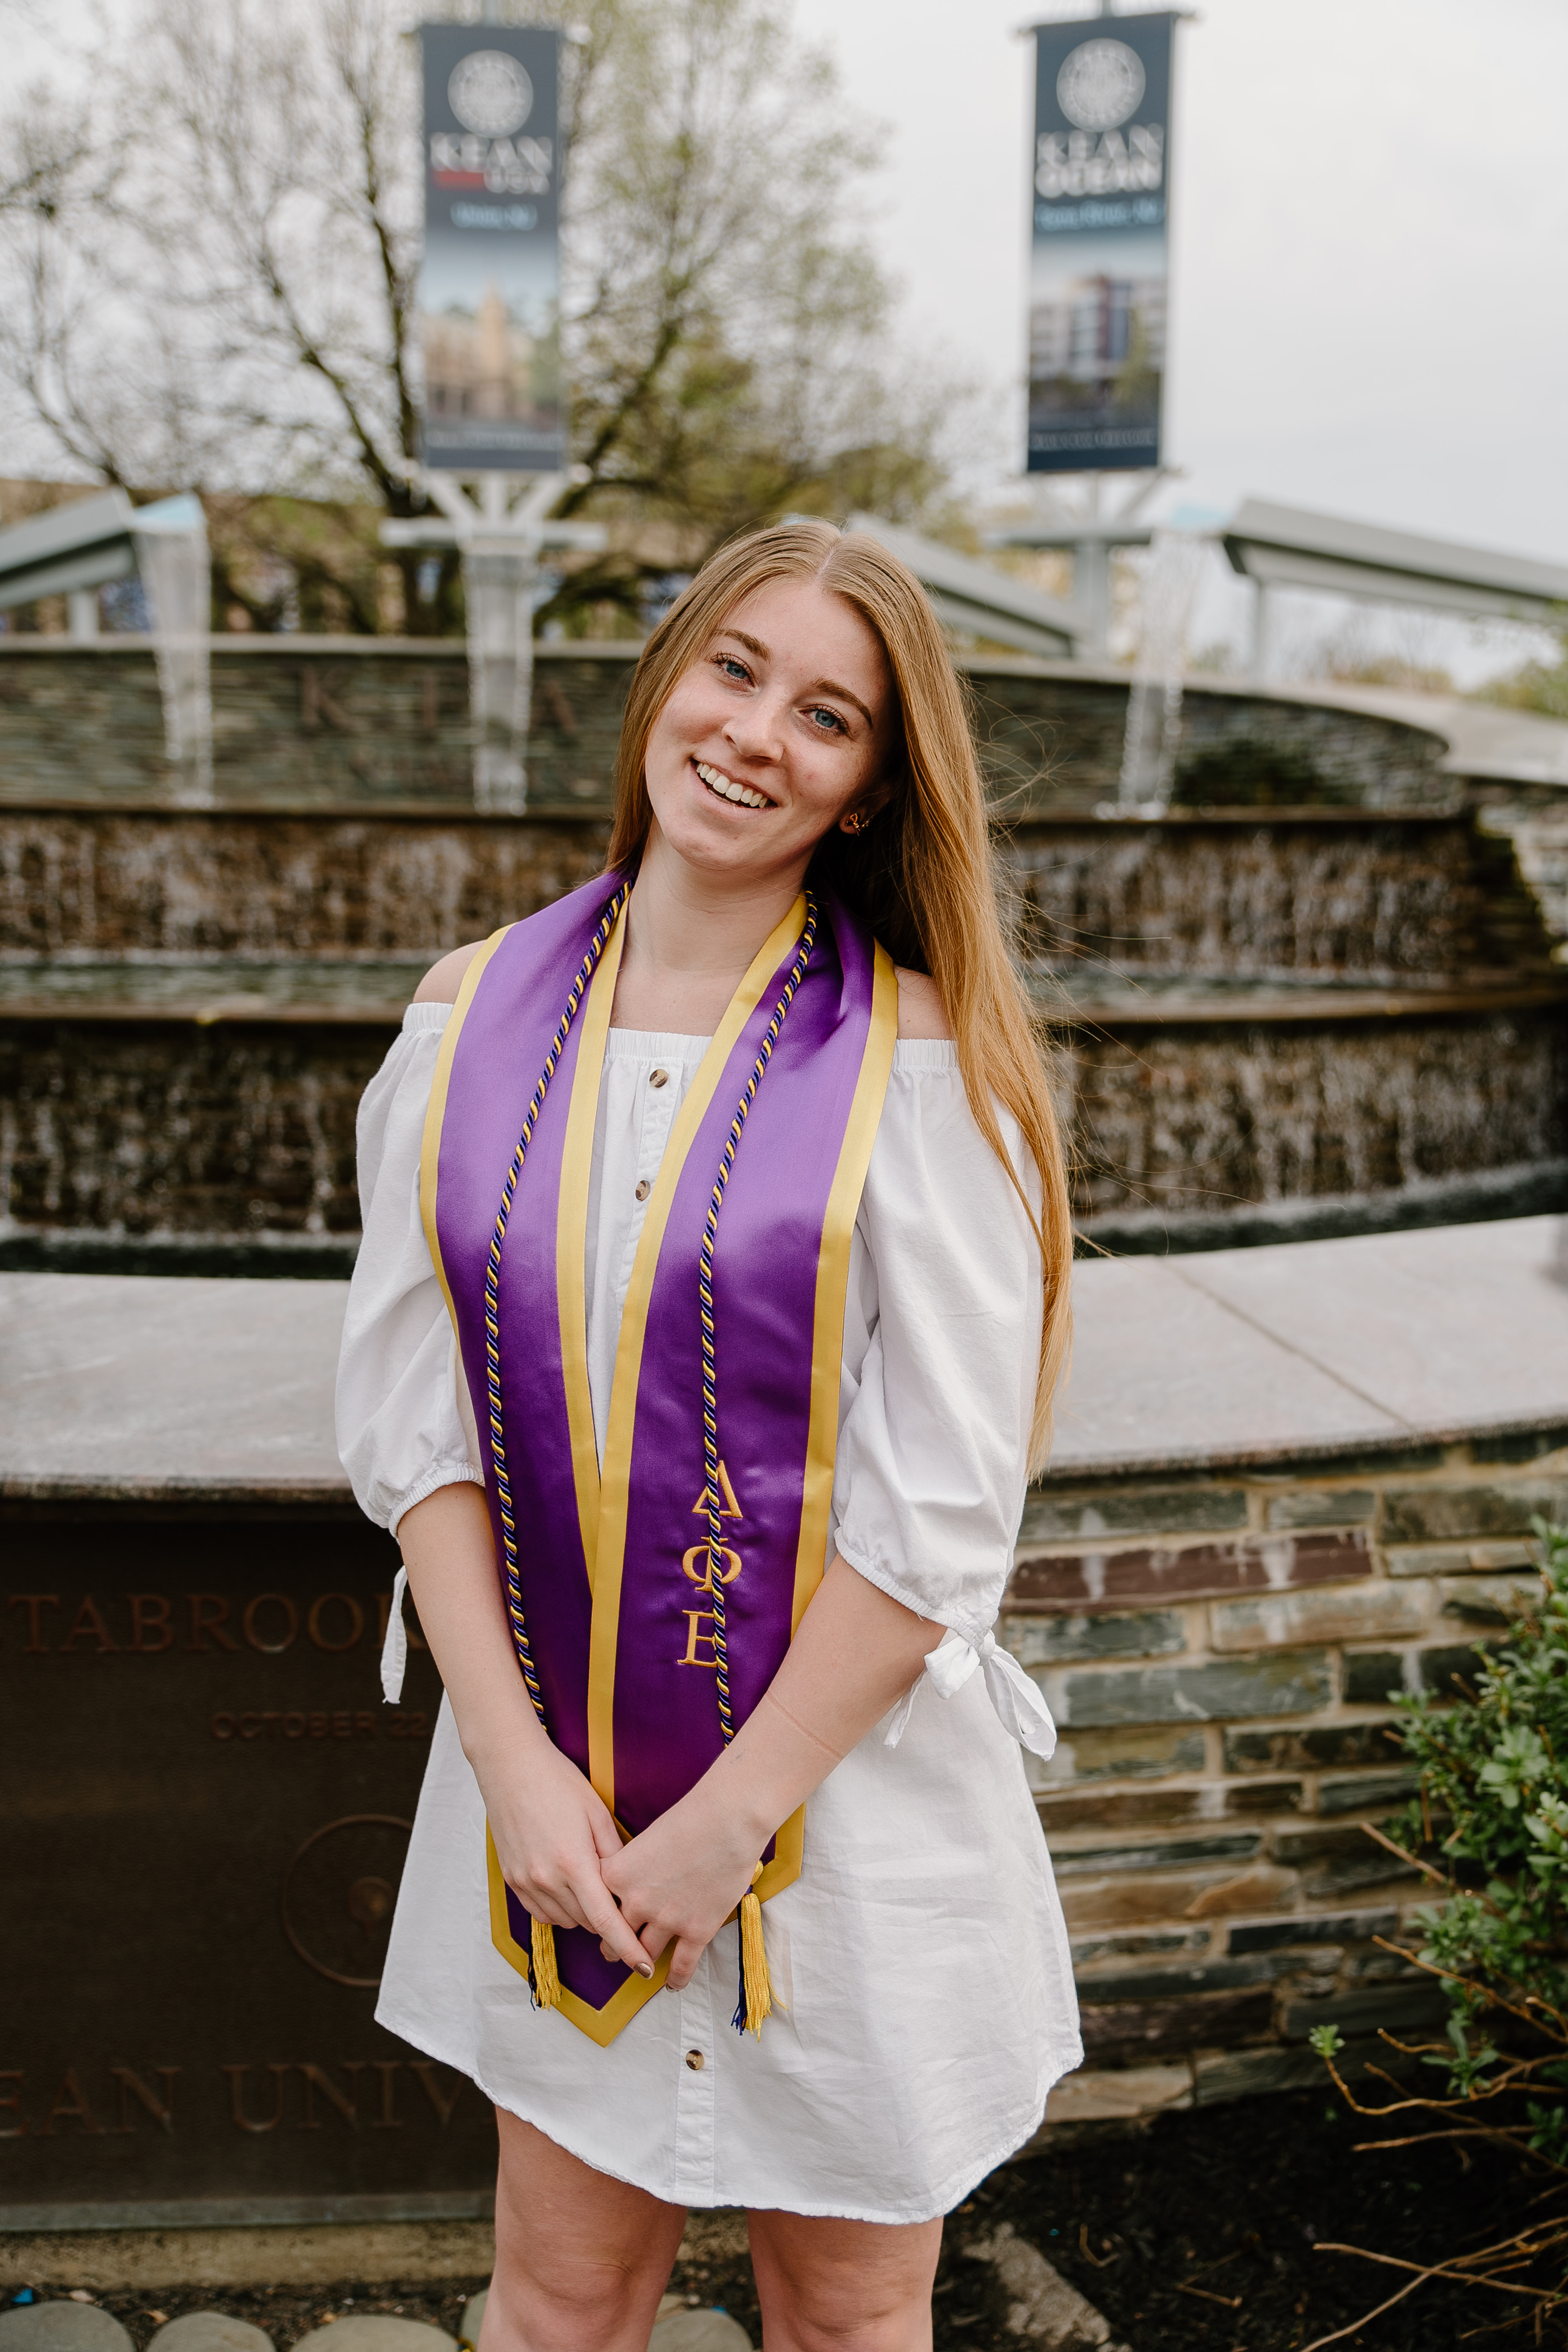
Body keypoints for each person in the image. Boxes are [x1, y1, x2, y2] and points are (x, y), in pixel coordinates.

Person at [336, 519, 1081, 2352]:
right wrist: (514, 1771)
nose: (756, 734)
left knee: (843, 2317)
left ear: (866, 790)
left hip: (840, 1819)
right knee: (559, 2296)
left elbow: (937, 1516)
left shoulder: (922, 1073)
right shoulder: (465, 1022)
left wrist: (725, 1825)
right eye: (735, 670)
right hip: (556, 1811)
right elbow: (413, 1429)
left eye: (826, 716)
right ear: (666, 676)